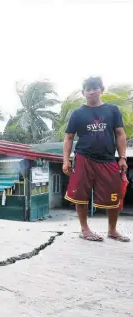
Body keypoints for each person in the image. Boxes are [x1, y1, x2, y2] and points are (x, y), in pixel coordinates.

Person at [63, 76, 129, 242]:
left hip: (107, 159)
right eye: (88, 89)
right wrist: (65, 160)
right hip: (83, 158)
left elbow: (120, 134)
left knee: (115, 193)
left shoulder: (112, 110)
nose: (92, 91)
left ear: (101, 89)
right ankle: (85, 229)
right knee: (80, 194)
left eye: (95, 88)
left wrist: (122, 158)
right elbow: (69, 137)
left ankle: (112, 230)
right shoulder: (78, 114)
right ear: (83, 92)